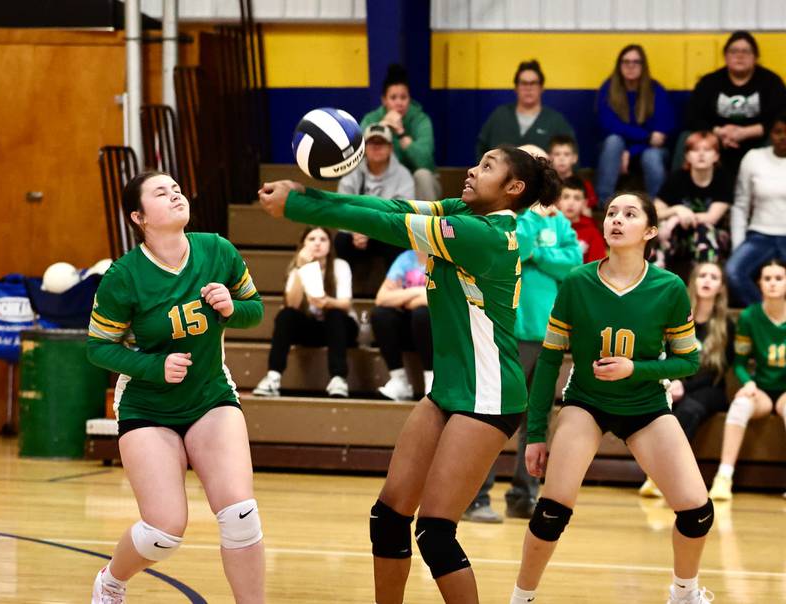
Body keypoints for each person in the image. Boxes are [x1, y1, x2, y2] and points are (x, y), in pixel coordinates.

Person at [258, 144, 561, 604]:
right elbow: (394, 206)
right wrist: (308, 193)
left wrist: (301, 205)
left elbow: (388, 225)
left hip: (489, 395)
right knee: (389, 517)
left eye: (487, 167)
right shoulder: (462, 210)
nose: (472, 170)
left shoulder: (482, 235)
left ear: (513, 188)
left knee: (436, 534)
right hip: (451, 391)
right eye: (476, 160)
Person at [511, 192, 713, 604]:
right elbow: (549, 361)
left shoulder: (670, 288)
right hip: (586, 402)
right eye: (611, 213)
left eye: (630, 214)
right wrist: (535, 433)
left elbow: (688, 361)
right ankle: (521, 598)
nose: (617, 220)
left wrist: (636, 369)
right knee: (552, 511)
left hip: (647, 407)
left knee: (697, 511)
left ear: (650, 231)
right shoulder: (576, 282)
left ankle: (683, 593)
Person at [86, 171, 265, 604]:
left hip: (210, 399)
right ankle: (111, 579)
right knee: (164, 531)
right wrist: (153, 365)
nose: (175, 195)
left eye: (178, 189)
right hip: (148, 408)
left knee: (241, 515)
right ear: (139, 217)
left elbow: (255, 310)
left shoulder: (217, 250)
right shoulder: (123, 276)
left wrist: (230, 308)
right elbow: (98, 349)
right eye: (161, 193)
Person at [464, 163, 582, 523]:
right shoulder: (514, 218)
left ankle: (522, 495)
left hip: (548, 334)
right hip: (510, 330)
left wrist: (542, 255)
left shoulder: (560, 222)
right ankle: (476, 497)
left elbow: (574, 262)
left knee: (537, 419)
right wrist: (539, 240)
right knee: (494, 414)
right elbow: (521, 247)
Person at [640, 262, 735, 498]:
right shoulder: (679, 316)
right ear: (693, 281)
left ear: (721, 287)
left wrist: (685, 385)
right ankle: (658, 475)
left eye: (714, 277)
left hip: (710, 388)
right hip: (675, 383)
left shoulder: (726, 325)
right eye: (702, 275)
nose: (707, 280)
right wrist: (671, 382)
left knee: (690, 408)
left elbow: (719, 371)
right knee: (662, 410)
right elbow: (666, 355)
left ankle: (660, 477)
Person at [708, 259, 786, 501]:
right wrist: (748, 383)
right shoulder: (750, 317)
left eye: (779, 278)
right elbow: (740, 364)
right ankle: (724, 477)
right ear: (759, 284)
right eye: (768, 279)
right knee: (741, 404)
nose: (773, 284)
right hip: (761, 389)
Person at [253, 226, 358, 398]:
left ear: (330, 245)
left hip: (340, 328)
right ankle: (273, 377)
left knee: (335, 313)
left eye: (323, 239)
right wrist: (301, 269)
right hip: (310, 328)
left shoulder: (340, 266)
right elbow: (292, 304)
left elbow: (345, 304)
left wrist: (326, 302)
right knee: (285, 315)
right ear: (303, 244)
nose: (317, 243)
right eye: (311, 239)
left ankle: (339, 378)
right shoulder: (297, 269)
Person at [686, 30, 786, 182]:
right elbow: (693, 115)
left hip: (759, 138)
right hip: (718, 139)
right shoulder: (709, 82)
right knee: (685, 138)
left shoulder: (771, 82)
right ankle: (681, 192)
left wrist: (746, 132)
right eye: (734, 51)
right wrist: (719, 132)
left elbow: (780, 116)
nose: (740, 55)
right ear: (725, 56)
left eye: (746, 51)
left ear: (755, 57)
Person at [334, 124, 414, 293]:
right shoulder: (351, 173)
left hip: (385, 233)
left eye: (381, 143)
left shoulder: (403, 175)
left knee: (399, 241)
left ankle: (393, 291)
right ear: (364, 148)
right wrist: (356, 230)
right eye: (372, 143)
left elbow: (403, 214)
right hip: (357, 233)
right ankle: (345, 291)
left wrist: (371, 229)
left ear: (391, 147)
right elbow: (341, 210)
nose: (376, 147)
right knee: (341, 240)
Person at [595, 45, 675, 205]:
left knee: (651, 155)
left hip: (649, 151)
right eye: (625, 62)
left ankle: (658, 209)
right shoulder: (609, 88)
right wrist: (645, 136)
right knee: (613, 141)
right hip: (619, 149)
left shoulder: (655, 90)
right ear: (619, 66)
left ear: (643, 65)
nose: (630, 66)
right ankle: (603, 204)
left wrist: (630, 152)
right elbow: (609, 125)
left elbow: (661, 134)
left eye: (636, 62)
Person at [725, 112, 786, 306]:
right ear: (770, 134)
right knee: (733, 271)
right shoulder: (754, 158)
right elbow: (740, 206)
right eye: (778, 132)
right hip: (759, 236)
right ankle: (766, 318)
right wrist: (738, 246)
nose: (783, 137)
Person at [654, 131, 733, 279]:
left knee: (704, 229)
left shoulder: (722, 179)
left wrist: (677, 218)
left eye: (707, 150)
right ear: (687, 156)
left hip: (715, 236)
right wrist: (677, 209)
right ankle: (659, 282)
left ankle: (702, 283)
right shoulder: (677, 178)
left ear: (716, 156)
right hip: (682, 236)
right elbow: (656, 211)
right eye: (695, 150)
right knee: (662, 228)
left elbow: (711, 217)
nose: (701, 155)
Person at [361, 63, 441, 201]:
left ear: (409, 99)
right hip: (383, 181)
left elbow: (426, 162)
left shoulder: (421, 119)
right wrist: (381, 131)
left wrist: (401, 134)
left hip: (416, 185)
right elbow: (358, 157)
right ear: (384, 100)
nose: (399, 103)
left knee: (423, 175)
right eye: (393, 98)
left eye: (403, 98)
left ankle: (430, 221)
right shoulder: (371, 119)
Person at [476, 60, 575, 161]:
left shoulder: (556, 121)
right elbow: (481, 151)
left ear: (541, 88)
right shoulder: (499, 116)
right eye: (523, 83)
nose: (528, 88)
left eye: (533, 83)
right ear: (516, 88)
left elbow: (571, 159)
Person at [371, 250, 433, 400]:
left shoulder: (445, 259)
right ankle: (399, 381)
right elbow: (382, 298)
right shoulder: (406, 258)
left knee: (422, 313)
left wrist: (402, 297)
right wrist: (418, 292)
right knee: (380, 314)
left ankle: (432, 380)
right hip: (410, 328)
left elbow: (436, 300)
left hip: (438, 329)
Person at [558, 176, 607, 263]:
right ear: (558, 201)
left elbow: (596, 267)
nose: (571, 203)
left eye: (576, 198)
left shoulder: (592, 233)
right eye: (566, 197)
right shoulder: (548, 226)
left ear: (584, 203)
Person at [548, 135, 598, 210]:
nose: (561, 158)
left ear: (574, 158)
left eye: (566, 154)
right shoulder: (545, 183)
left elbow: (588, 213)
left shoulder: (585, 184)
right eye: (557, 154)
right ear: (549, 157)